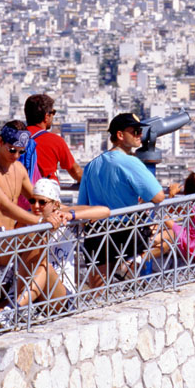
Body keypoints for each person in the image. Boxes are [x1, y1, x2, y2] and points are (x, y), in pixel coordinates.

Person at [0, 121, 65, 315]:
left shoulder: (18, 169)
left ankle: (12, 310)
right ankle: (2, 314)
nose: (16, 156)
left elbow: (36, 198)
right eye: (12, 150)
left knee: (37, 251)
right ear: (0, 141)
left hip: (12, 236)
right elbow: (3, 206)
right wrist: (41, 222)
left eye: (21, 152)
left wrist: (63, 211)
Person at [77, 113, 165, 286]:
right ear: (120, 135)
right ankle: (129, 266)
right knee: (168, 238)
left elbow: (83, 205)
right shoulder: (130, 162)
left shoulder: (92, 165)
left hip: (97, 231)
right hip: (126, 232)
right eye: (136, 131)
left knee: (98, 291)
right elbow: (158, 196)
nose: (140, 135)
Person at [24, 178, 110, 305]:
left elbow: (105, 211)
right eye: (32, 201)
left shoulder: (66, 221)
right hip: (29, 288)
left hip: (61, 293)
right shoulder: (26, 220)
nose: (36, 206)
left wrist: (71, 214)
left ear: (55, 205)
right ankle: (9, 310)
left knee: (45, 268)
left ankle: (15, 308)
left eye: (42, 202)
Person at [24, 93, 83, 185]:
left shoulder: (12, 139)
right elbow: (76, 172)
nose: (53, 116)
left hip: (19, 193)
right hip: (46, 194)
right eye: (53, 112)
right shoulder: (55, 141)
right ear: (46, 116)